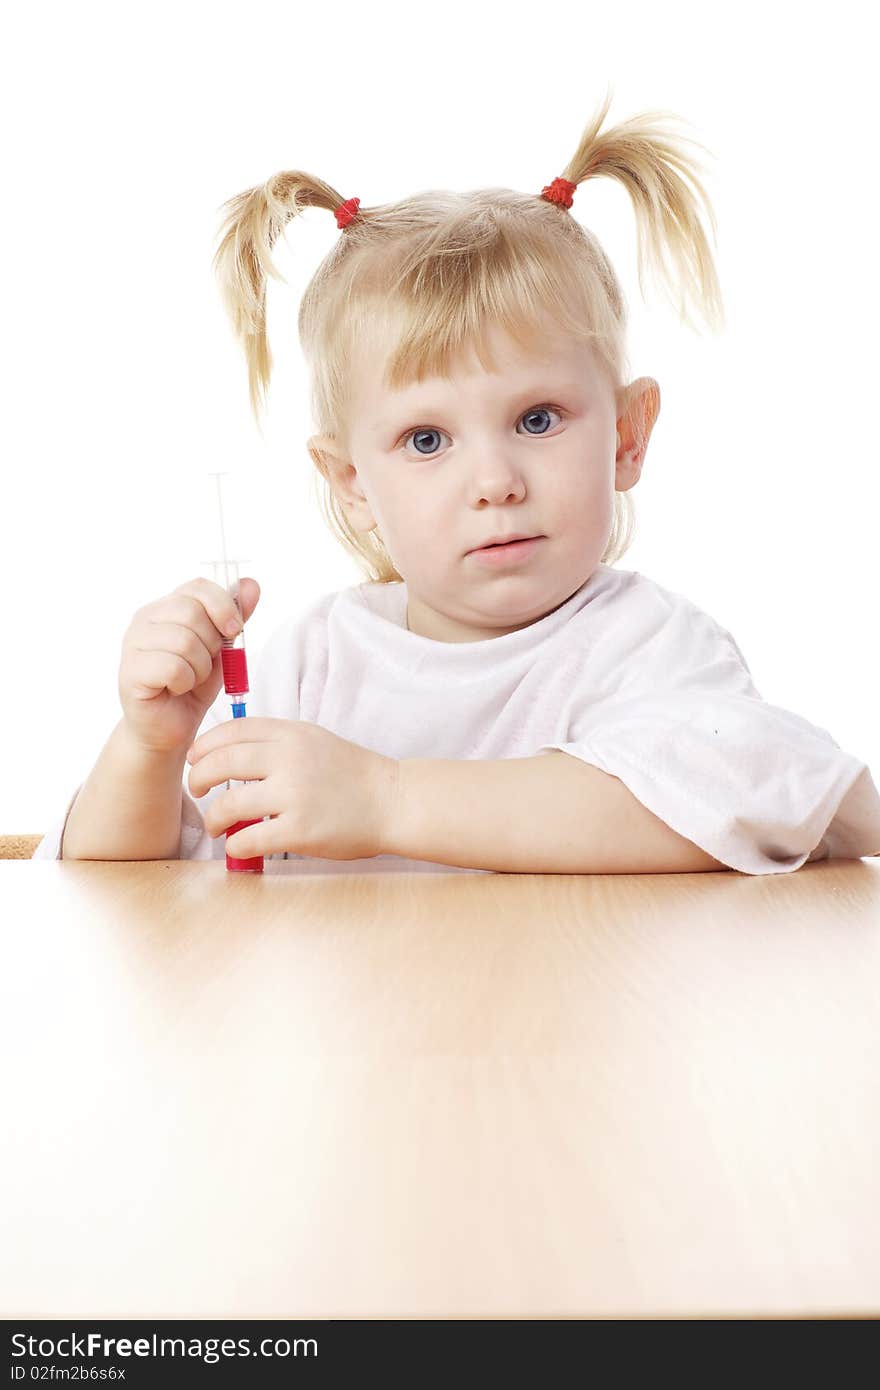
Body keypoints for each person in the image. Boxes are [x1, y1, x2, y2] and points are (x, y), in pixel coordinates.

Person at [33, 91, 880, 875]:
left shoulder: (648, 649)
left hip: (590, 1031)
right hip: (359, 1041)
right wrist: (148, 747)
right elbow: (120, 897)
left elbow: (722, 809)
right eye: (427, 438)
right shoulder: (310, 666)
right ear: (351, 483)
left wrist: (384, 800)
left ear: (627, 435)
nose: (495, 481)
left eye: (539, 419)